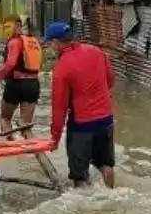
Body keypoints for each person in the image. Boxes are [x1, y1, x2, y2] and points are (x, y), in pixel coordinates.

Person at [43, 21, 115, 189]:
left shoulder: (62, 67)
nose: (50, 48)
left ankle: (84, 210)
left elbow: (59, 107)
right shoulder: (97, 52)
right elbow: (110, 80)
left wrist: (55, 137)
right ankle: (111, 194)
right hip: (106, 120)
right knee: (106, 164)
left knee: (79, 175)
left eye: (49, 43)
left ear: (57, 42)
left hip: (81, 125)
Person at [0, 18, 43, 139]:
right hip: (33, 84)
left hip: (15, 84)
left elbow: (10, 64)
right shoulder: (33, 42)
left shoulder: (14, 42)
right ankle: (34, 152)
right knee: (25, 125)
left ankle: (12, 148)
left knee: (5, 118)